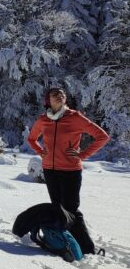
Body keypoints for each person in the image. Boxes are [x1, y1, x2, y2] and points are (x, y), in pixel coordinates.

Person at [27, 86, 109, 214]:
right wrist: (41, 152)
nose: (59, 95)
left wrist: (83, 155)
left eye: (62, 93)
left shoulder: (75, 117)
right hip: (49, 170)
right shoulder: (43, 119)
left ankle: (79, 234)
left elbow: (102, 137)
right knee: (57, 207)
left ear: (65, 99)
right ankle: (59, 234)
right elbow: (31, 139)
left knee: (71, 209)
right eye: (54, 94)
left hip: (70, 171)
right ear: (48, 100)